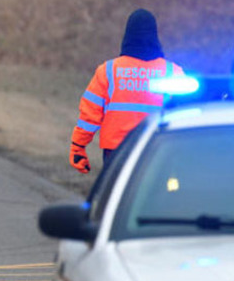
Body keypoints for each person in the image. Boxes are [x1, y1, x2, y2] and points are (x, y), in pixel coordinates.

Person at [71, 9, 185, 174]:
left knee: (117, 195)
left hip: (116, 151)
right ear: (155, 36)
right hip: (156, 149)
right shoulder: (172, 72)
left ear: (127, 36)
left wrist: (78, 146)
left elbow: (90, 114)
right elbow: (186, 114)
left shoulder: (108, 71)